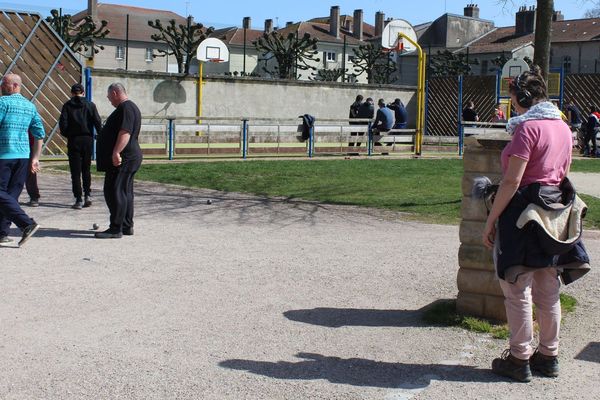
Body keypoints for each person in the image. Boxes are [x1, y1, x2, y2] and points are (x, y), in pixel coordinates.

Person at [482, 67, 590, 383]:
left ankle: (519, 358)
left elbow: (512, 181)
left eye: (514, 99)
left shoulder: (527, 130)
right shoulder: (562, 127)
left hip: (524, 214)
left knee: (518, 289)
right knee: (548, 287)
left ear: (523, 98)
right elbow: (562, 171)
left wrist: (490, 220)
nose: (512, 105)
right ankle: (549, 355)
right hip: (556, 212)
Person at [0, 73, 44, 247]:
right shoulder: (29, 106)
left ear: (16, 85)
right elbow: (39, 133)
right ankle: (2, 233)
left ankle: (27, 224)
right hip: (23, 157)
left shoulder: (2, 103)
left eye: (5, 84)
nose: (2, 86)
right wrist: (35, 158)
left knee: (3, 195)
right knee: (10, 196)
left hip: (4, 155)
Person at [95, 83, 142, 239]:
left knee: (115, 191)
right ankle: (126, 225)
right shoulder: (130, 107)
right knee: (125, 191)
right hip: (130, 156)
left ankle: (116, 228)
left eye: (109, 97)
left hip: (124, 157)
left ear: (115, 93)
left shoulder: (126, 108)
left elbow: (125, 132)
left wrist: (116, 152)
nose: (110, 101)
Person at [59, 83, 102, 209]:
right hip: (87, 139)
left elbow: (63, 125)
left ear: (72, 93)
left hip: (74, 139)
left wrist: (69, 134)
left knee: (75, 171)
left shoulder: (67, 106)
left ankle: (78, 199)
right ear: (83, 92)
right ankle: (88, 194)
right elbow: (97, 122)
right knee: (86, 169)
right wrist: (100, 135)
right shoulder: (90, 105)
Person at [25, 131, 41, 207]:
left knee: (31, 172)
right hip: (12, 145)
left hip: (28, 144)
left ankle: (34, 197)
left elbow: (38, 133)